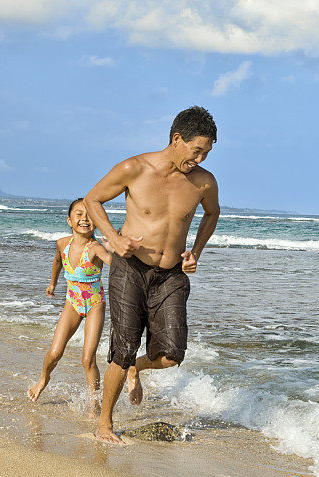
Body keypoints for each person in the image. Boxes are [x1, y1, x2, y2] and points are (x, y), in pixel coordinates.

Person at [84, 106, 220, 444]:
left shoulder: (203, 182)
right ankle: (105, 423)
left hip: (171, 275)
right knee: (124, 345)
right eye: (196, 149)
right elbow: (92, 199)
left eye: (206, 152)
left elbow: (212, 213)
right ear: (177, 139)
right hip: (130, 270)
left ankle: (137, 368)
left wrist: (195, 253)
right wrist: (114, 239)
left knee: (172, 353)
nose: (199, 158)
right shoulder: (135, 168)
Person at [27, 198, 114, 413]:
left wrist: (114, 247)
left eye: (90, 215)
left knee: (87, 359)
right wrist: (52, 282)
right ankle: (43, 380)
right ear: (69, 220)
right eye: (79, 214)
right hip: (72, 303)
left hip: (95, 303)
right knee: (55, 352)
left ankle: (95, 405)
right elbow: (57, 261)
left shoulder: (95, 248)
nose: (85, 219)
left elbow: (112, 261)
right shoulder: (62, 244)